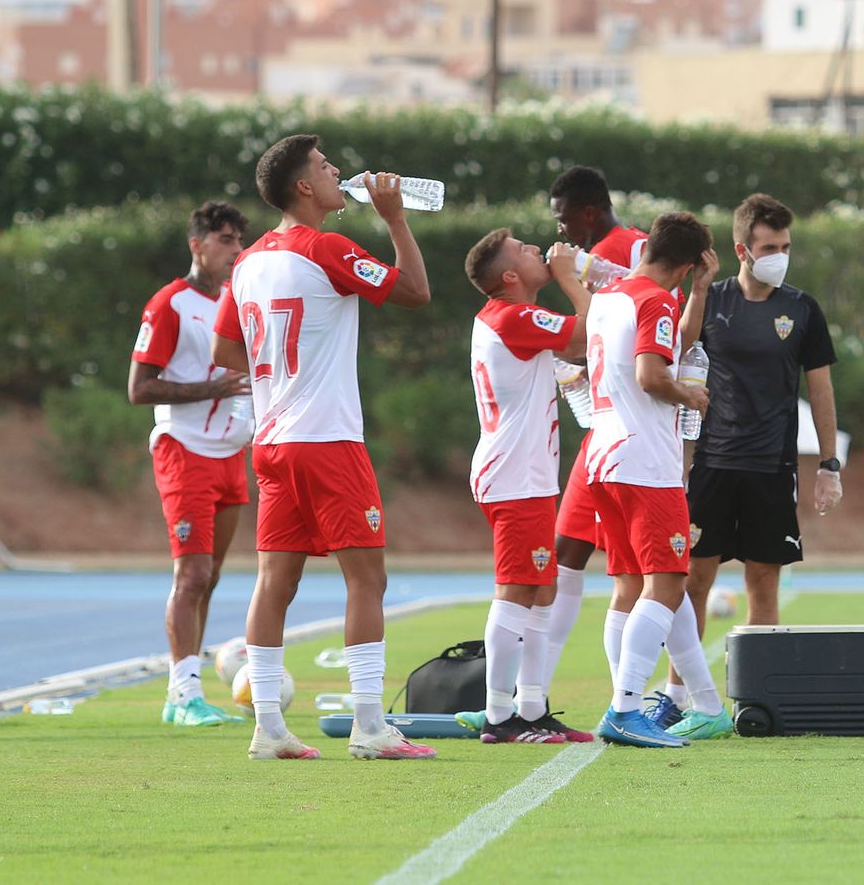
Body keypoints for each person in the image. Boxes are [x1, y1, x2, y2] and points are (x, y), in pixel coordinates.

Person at [211, 135, 435, 761]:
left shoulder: (248, 261)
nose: (338, 171)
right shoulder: (326, 247)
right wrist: (395, 218)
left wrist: (280, 373)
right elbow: (415, 292)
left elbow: (225, 351)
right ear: (304, 186)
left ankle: (268, 729)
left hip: (272, 441)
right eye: (324, 165)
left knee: (274, 582)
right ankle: (369, 725)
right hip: (327, 439)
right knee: (367, 578)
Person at [650, 193, 842, 725]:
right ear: (743, 249)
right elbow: (679, 348)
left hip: (772, 468)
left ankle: (759, 700)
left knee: (763, 585)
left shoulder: (802, 309)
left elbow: (821, 390)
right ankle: (676, 699)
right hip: (712, 464)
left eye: (786, 246)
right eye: (770, 247)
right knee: (692, 583)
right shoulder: (712, 298)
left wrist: (829, 464)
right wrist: (698, 290)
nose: (780, 256)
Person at [585, 212, 731, 747]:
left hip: (603, 454)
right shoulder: (655, 301)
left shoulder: (610, 295)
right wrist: (688, 394)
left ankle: (706, 704)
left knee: (634, 585)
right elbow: (652, 375)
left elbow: (671, 344)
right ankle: (625, 708)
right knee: (668, 583)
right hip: (645, 462)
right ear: (689, 263)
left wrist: (700, 292)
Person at [457, 229, 597, 743]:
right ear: (511, 276)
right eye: (523, 250)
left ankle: (532, 707)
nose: (537, 249)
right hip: (514, 476)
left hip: (525, 473)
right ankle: (499, 716)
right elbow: (590, 333)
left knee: (543, 589)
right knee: (518, 589)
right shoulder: (513, 316)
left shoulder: (511, 318)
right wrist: (570, 278)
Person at [128, 200, 254, 728]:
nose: (235, 249)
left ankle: (187, 689)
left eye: (239, 240)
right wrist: (213, 389)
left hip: (230, 454)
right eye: (225, 239)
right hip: (185, 450)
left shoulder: (235, 299)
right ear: (196, 245)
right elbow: (139, 389)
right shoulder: (169, 304)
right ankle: (182, 695)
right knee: (193, 573)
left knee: (212, 575)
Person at [540, 165, 655, 702]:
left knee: (648, 573)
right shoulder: (633, 245)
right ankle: (533, 696)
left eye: (563, 218)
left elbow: (620, 337)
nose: (559, 231)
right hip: (609, 429)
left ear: (588, 212)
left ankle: (664, 698)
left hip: (627, 428)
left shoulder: (615, 254)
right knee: (575, 555)